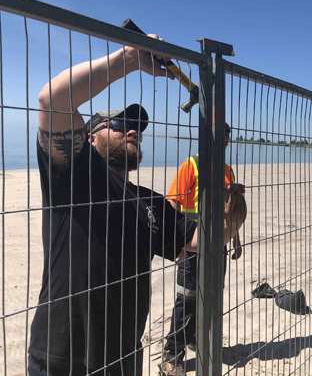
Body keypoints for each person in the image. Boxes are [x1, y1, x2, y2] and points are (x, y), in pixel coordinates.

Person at [29, 35, 197, 376]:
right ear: (89, 137)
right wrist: (130, 60)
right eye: (120, 124)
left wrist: (231, 204)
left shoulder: (149, 201)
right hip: (63, 357)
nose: (132, 130)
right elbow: (53, 100)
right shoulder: (74, 175)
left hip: (122, 359)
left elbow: (195, 240)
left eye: (137, 127)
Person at [160, 122, 243, 376]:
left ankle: (196, 338)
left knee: (212, 296)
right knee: (186, 299)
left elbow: (230, 211)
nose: (223, 140)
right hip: (192, 244)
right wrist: (175, 245)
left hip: (220, 244)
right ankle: (172, 355)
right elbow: (171, 205)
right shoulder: (192, 165)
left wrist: (236, 239)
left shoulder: (227, 170)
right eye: (218, 135)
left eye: (226, 136)